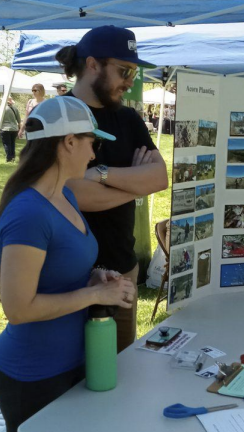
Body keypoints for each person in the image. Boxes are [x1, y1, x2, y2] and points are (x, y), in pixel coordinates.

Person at [0, 97, 136, 432]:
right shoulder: (29, 213)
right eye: (91, 143)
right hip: (33, 376)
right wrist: (95, 295)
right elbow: (19, 309)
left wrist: (95, 276)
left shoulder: (64, 193)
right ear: (68, 142)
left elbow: (60, 269)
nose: (94, 154)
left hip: (75, 364)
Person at [55, 25, 168, 352]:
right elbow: (76, 196)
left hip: (122, 270)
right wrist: (135, 182)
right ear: (92, 64)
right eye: (125, 70)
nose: (131, 81)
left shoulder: (128, 119)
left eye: (134, 72)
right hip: (68, 276)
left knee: (117, 366)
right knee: (71, 369)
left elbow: (159, 178)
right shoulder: (58, 115)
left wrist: (101, 173)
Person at [1, 97, 21, 163]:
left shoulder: (3, 109)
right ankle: (13, 157)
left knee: (7, 144)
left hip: (5, 128)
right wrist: (20, 129)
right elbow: (19, 120)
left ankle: (9, 158)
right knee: (12, 143)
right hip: (14, 128)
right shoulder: (15, 108)